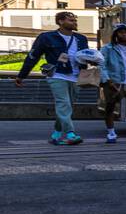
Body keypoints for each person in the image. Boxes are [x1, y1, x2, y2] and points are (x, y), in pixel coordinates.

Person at [14, 11, 88, 145]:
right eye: (71, 20)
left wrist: (93, 60)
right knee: (63, 103)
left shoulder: (81, 38)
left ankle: (56, 134)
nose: (75, 23)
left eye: (75, 20)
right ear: (60, 21)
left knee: (68, 106)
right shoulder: (47, 37)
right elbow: (33, 56)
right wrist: (21, 76)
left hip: (76, 76)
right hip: (57, 75)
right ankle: (71, 134)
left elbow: (86, 57)